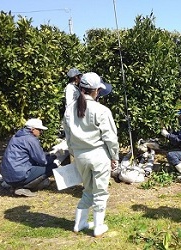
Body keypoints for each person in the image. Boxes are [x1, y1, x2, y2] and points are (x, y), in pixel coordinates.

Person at [63, 72, 119, 237]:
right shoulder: (101, 110)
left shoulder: (69, 110)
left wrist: (74, 154)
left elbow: (68, 137)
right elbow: (110, 137)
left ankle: (79, 224)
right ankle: (98, 227)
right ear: (95, 90)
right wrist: (114, 157)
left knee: (87, 190)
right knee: (100, 192)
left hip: (80, 156)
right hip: (98, 155)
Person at [0, 118, 58, 197]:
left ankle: (14, 185)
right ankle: (22, 187)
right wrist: (53, 157)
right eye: (40, 130)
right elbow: (43, 161)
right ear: (33, 129)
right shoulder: (31, 139)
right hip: (19, 174)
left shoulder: (15, 137)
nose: (41, 132)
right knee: (52, 166)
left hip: (6, 175)